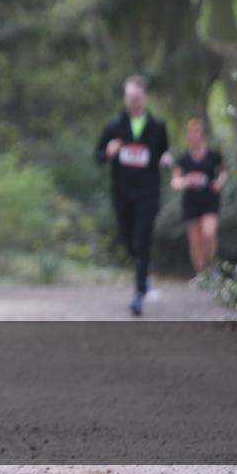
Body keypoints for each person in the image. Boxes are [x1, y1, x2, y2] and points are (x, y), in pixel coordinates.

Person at [94, 75, 173, 317]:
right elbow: (97, 155)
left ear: (145, 98)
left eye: (137, 97)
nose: (133, 101)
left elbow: (164, 151)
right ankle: (143, 272)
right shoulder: (114, 126)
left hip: (148, 192)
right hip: (122, 192)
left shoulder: (157, 126)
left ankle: (139, 294)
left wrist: (166, 159)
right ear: (125, 98)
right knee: (129, 240)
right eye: (129, 97)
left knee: (142, 240)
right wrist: (107, 153)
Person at [171, 119, 227, 276]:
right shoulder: (183, 159)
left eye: (197, 133)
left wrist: (219, 182)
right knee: (195, 240)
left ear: (203, 135)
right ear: (188, 137)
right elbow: (175, 181)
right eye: (191, 134)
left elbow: (224, 172)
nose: (195, 136)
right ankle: (201, 273)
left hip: (210, 200)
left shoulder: (213, 155)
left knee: (208, 233)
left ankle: (211, 264)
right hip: (191, 202)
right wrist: (184, 182)